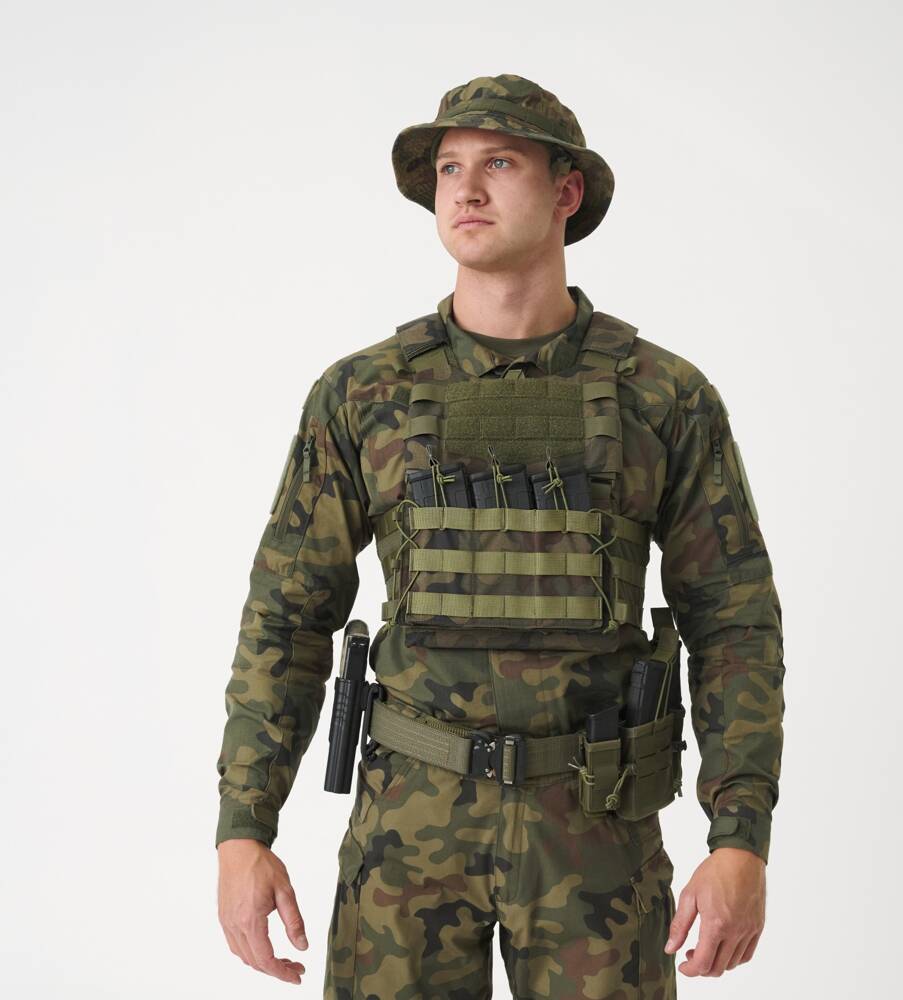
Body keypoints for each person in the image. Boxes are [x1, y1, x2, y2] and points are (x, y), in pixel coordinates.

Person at [215, 73, 785, 999]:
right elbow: (286, 615)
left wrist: (740, 839)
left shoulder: (661, 397)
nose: (466, 190)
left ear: (567, 192)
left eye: (500, 164)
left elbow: (735, 625)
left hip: (596, 829)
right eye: (449, 168)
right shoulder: (364, 394)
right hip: (408, 830)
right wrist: (245, 827)